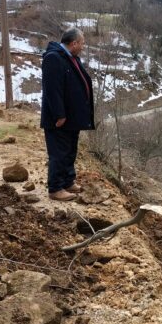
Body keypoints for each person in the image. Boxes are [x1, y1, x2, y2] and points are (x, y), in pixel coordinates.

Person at [40, 28, 94, 201]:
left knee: (70, 150)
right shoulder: (53, 58)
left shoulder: (70, 57)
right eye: (82, 43)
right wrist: (59, 114)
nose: (83, 46)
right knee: (59, 152)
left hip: (72, 118)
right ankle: (55, 188)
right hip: (59, 118)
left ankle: (68, 181)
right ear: (74, 43)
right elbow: (52, 89)